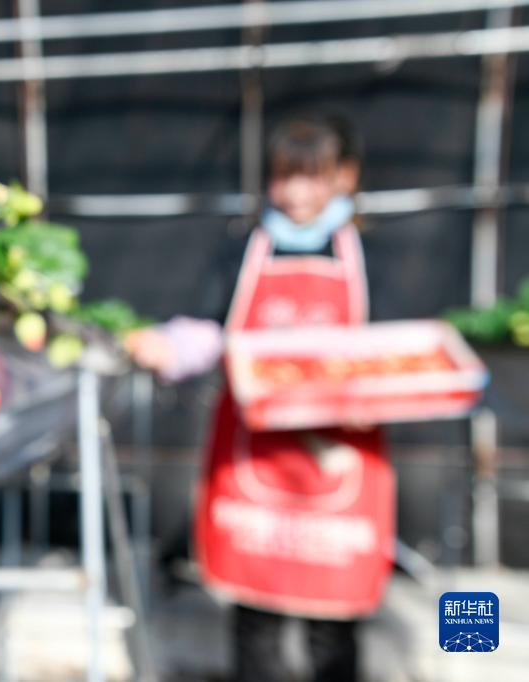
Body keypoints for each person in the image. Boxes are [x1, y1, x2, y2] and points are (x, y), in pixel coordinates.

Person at [126, 115, 392, 682]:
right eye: (284, 178)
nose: (296, 193)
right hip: (254, 456)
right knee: (257, 612)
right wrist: (167, 346)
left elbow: (396, 348)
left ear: (345, 177)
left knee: (333, 616)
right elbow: (209, 328)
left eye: (312, 178)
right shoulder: (243, 249)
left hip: (338, 461)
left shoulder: (370, 253)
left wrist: (379, 394)